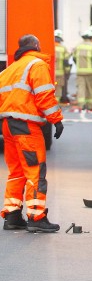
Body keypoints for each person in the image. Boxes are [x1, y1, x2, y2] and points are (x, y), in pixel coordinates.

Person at [0, 34, 64, 233]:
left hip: (8, 126)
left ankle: (12, 216)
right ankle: (36, 216)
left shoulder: (10, 69)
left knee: (17, 172)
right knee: (35, 172)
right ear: (36, 45)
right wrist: (57, 120)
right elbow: (44, 96)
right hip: (26, 126)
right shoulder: (37, 65)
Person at [72, 29, 92, 113]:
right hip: (91, 72)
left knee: (81, 88)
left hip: (80, 72)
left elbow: (74, 58)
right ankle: (90, 105)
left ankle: (81, 105)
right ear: (90, 37)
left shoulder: (78, 46)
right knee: (90, 89)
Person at [53, 29, 70, 103]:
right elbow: (66, 62)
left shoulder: (49, 47)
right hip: (60, 73)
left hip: (49, 73)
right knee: (58, 88)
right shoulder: (63, 48)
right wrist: (67, 71)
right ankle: (56, 103)